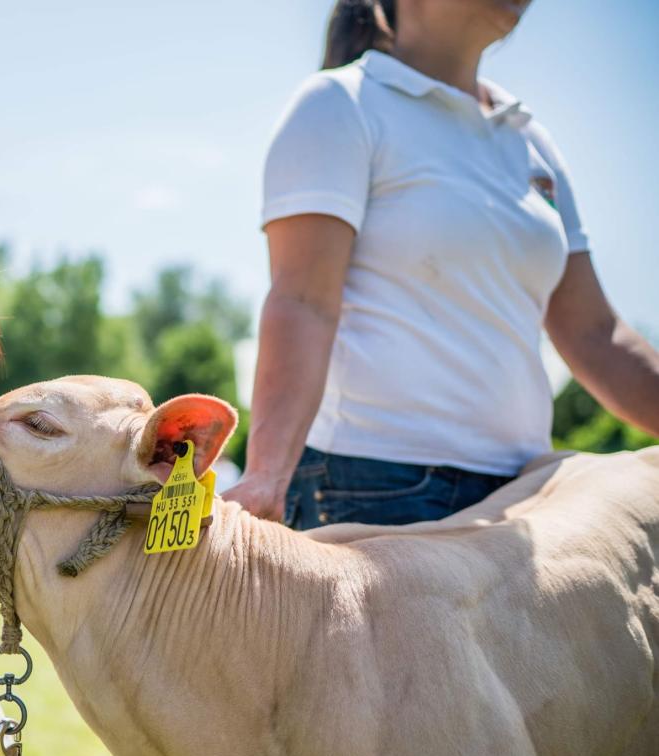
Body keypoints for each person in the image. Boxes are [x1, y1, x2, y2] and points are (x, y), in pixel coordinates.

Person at [226, 0, 659, 530]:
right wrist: (267, 475)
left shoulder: (529, 140)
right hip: (373, 488)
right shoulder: (341, 104)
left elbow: (596, 333)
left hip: (526, 500)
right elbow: (303, 302)